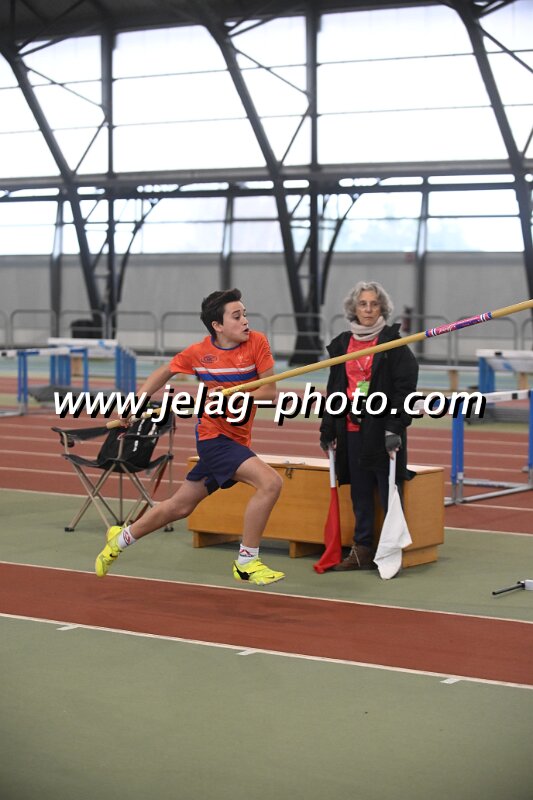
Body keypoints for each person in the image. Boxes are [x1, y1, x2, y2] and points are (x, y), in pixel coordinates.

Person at [94, 288, 285, 586]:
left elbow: (269, 392)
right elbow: (165, 371)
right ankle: (247, 562)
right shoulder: (199, 353)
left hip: (237, 439)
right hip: (213, 438)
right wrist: (136, 402)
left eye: (245, 314)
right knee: (271, 483)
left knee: (180, 506)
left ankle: (120, 538)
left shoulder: (257, 342)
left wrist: (233, 395)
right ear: (217, 325)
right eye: (236, 316)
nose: (245, 321)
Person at [319, 281, 418, 570]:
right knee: (359, 493)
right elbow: (335, 389)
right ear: (354, 308)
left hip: (382, 431)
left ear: (382, 308)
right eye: (363, 304)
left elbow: (405, 390)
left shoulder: (393, 345)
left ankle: (390, 550)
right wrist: (328, 429)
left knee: (389, 493)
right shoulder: (342, 344)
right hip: (351, 431)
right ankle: (361, 549)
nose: (368, 309)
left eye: (374, 304)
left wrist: (394, 427)